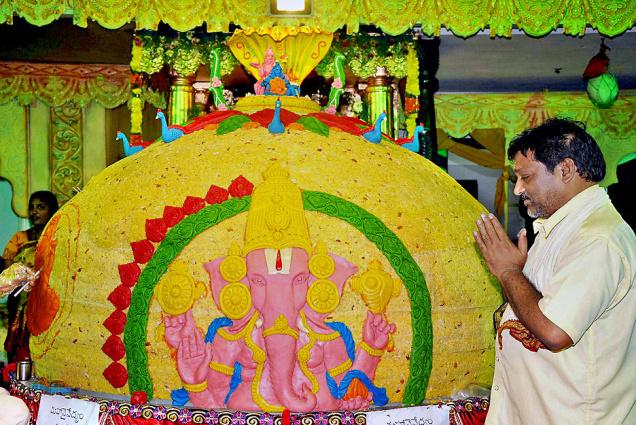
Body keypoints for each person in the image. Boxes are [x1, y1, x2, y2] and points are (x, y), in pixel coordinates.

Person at [473, 118, 636, 424]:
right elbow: (542, 302)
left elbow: (554, 331)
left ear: (565, 169)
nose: (519, 189)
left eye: (526, 177)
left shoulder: (597, 239)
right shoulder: (562, 228)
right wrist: (520, 273)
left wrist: (508, 272)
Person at [2, 190, 58, 363]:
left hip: (48, 301)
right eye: (32, 208)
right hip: (21, 302)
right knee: (19, 345)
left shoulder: (58, 238)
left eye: (40, 207)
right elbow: (7, 272)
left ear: (52, 210)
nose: (34, 212)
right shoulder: (20, 238)